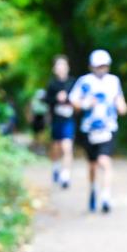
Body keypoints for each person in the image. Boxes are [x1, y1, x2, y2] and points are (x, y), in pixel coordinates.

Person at [69, 49, 127, 213]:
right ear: (92, 67)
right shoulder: (84, 82)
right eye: (98, 66)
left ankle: (106, 195)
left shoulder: (113, 81)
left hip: (108, 128)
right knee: (93, 164)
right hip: (89, 129)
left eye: (104, 66)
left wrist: (122, 107)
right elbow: (73, 101)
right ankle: (94, 189)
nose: (101, 69)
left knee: (105, 161)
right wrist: (85, 104)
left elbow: (120, 101)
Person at [45, 55, 75, 189]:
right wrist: (57, 98)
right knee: (56, 147)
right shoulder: (51, 84)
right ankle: (56, 166)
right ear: (54, 69)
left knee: (67, 146)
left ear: (67, 67)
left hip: (69, 119)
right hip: (56, 119)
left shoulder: (73, 83)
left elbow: (78, 100)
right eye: (58, 66)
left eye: (63, 65)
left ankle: (65, 175)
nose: (61, 68)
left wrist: (68, 99)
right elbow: (46, 100)